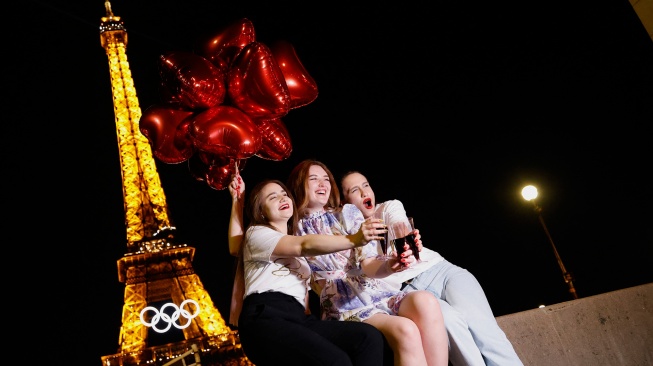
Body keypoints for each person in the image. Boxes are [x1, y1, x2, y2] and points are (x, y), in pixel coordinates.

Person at [340, 170, 525, 366]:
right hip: (410, 294)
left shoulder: (387, 207)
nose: (363, 191)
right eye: (354, 189)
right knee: (452, 327)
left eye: (366, 185)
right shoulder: (349, 237)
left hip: (441, 272)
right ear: (344, 202)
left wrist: (405, 241)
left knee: (486, 333)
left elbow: (400, 225)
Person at [286, 159, 449, 366]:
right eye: (314, 179)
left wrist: (391, 265)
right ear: (298, 184)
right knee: (405, 330)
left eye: (326, 178)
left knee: (426, 301)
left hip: (376, 291)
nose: (323, 183)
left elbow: (368, 264)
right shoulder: (291, 230)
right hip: (343, 303)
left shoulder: (347, 213)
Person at [226, 172, 386, 366]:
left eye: (284, 193)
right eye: (272, 197)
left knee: (368, 338)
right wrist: (354, 240)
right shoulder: (256, 234)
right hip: (266, 316)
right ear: (261, 211)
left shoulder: (295, 239)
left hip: (298, 317)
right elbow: (302, 245)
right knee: (337, 361)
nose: (282, 198)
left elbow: (237, 246)